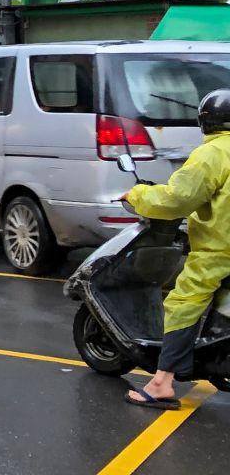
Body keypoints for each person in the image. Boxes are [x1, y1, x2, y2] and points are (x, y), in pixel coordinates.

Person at [122, 89, 230, 409]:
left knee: (184, 302)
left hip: (220, 250)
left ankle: (161, 383)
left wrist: (137, 195)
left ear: (205, 122)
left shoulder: (211, 154)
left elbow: (178, 199)